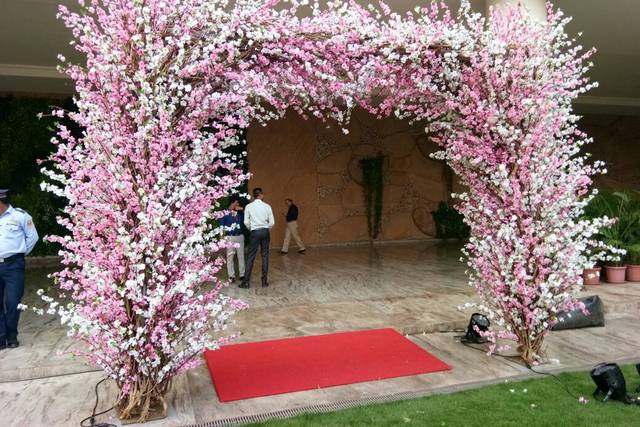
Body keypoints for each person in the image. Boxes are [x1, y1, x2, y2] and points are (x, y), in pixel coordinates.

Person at [0, 189, 38, 349]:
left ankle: (11, 335)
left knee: (13, 301)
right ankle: (2, 338)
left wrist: (19, 254)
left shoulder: (20, 216)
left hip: (13, 265)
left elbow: (32, 237)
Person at [241, 188, 274, 288]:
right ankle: (264, 282)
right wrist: (266, 229)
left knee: (251, 256)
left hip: (255, 232)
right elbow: (272, 222)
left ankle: (246, 282)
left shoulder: (248, 206)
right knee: (265, 256)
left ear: (254, 195)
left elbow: (246, 222)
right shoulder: (267, 206)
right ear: (262, 195)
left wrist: (252, 229)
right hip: (265, 231)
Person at [220, 196, 245, 283]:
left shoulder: (239, 212)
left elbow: (247, 214)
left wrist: (241, 208)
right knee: (230, 257)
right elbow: (221, 226)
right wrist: (221, 238)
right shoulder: (225, 213)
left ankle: (242, 275)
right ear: (232, 203)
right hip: (230, 237)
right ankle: (231, 275)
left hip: (240, 236)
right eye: (236, 203)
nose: (238, 205)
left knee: (241, 256)